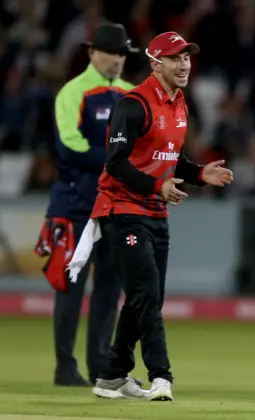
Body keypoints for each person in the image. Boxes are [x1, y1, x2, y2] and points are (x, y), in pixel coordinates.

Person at [78, 31, 233, 401]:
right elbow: (115, 164)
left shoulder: (180, 103)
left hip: (155, 210)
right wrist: (157, 187)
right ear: (155, 63)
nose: (184, 65)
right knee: (146, 293)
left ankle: (113, 374)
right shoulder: (133, 104)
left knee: (146, 297)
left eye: (187, 58)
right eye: (175, 58)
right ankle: (161, 375)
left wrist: (198, 174)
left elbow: (169, 156)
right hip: (123, 210)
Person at [34, 23, 137, 386]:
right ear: (92, 53)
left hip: (115, 205)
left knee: (109, 290)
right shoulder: (73, 92)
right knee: (69, 286)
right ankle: (65, 367)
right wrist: (117, 160)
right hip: (76, 205)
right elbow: (68, 146)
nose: (116, 59)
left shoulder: (130, 95)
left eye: (122, 53)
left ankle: (99, 367)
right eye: (110, 52)